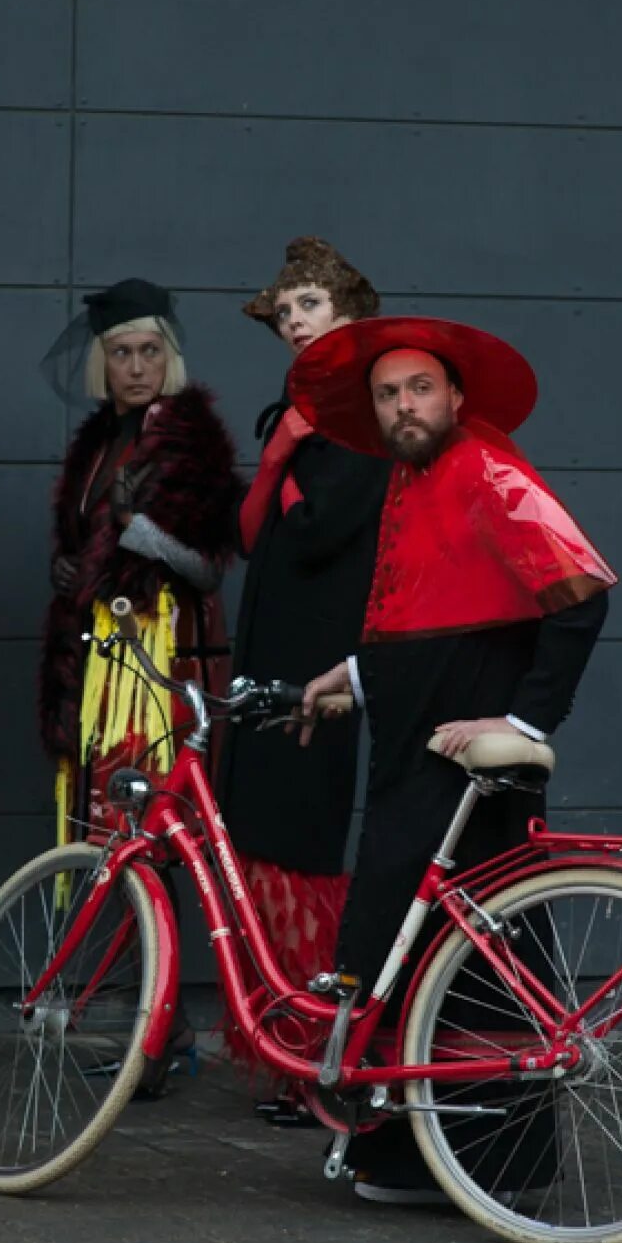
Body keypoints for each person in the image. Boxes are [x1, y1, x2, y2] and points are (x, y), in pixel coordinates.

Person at [294, 317, 615, 1204]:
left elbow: (580, 596)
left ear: (456, 396)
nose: (405, 405)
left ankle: (494, 1168)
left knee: (475, 963)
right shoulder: (411, 477)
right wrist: (353, 675)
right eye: (389, 394)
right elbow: (427, 615)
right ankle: (407, 1160)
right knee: (405, 948)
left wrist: (524, 721)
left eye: (420, 388)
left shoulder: (485, 466)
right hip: (413, 759)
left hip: (469, 770)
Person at [36, 278, 243, 1094]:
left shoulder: (196, 441)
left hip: (163, 663)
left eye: (149, 350)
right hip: (99, 660)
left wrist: (141, 536)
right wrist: (73, 570)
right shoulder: (97, 442)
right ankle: (156, 1028)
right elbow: (91, 547)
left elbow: (208, 562)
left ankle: (159, 1035)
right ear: (102, 363)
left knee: (149, 841)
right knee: (114, 839)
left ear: (171, 355)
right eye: (121, 352)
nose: (136, 366)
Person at [218, 238, 389, 1125]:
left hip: (321, 651)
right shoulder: (298, 413)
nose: (292, 324)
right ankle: (280, 1043)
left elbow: (319, 529)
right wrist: (284, 448)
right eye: (285, 315)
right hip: (274, 641)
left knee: (300, 846)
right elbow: (252, 534)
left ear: (349, 313)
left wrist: (288, 459)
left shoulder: (363, 414)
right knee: (257, 839)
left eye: (308, 308)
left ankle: (316, 1048)